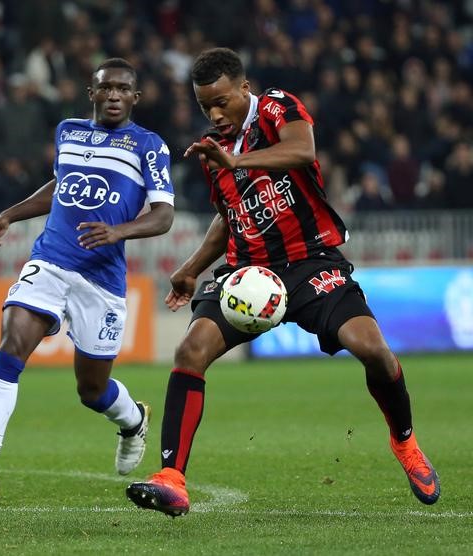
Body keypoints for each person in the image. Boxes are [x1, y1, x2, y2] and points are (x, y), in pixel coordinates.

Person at [125, 48, 439, 517]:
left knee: (373, 349)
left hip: (310, 262)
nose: (215, 114)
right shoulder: (214, 150)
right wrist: (192, 267)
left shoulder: (276, 108)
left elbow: (302, 150)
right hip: (248, 272)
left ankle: (405, 442)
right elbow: (230, 216)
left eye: (223, 102)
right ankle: (172, 478)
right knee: (190, 352)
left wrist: (237, 162)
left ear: (243, 90)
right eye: (204, 106)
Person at [0, 58, 175, 501]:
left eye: (123, 89)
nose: (114, 95)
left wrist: (119, 231)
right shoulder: (68, 131)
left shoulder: (148, 146)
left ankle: (132, 419)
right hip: (51, 262)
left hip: (101, 281)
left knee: (91, 389)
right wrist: (9, 216)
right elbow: (59, 186)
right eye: (105, 88)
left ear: (136, 97)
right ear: (90, 93)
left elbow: (164, 214)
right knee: (11, 344)